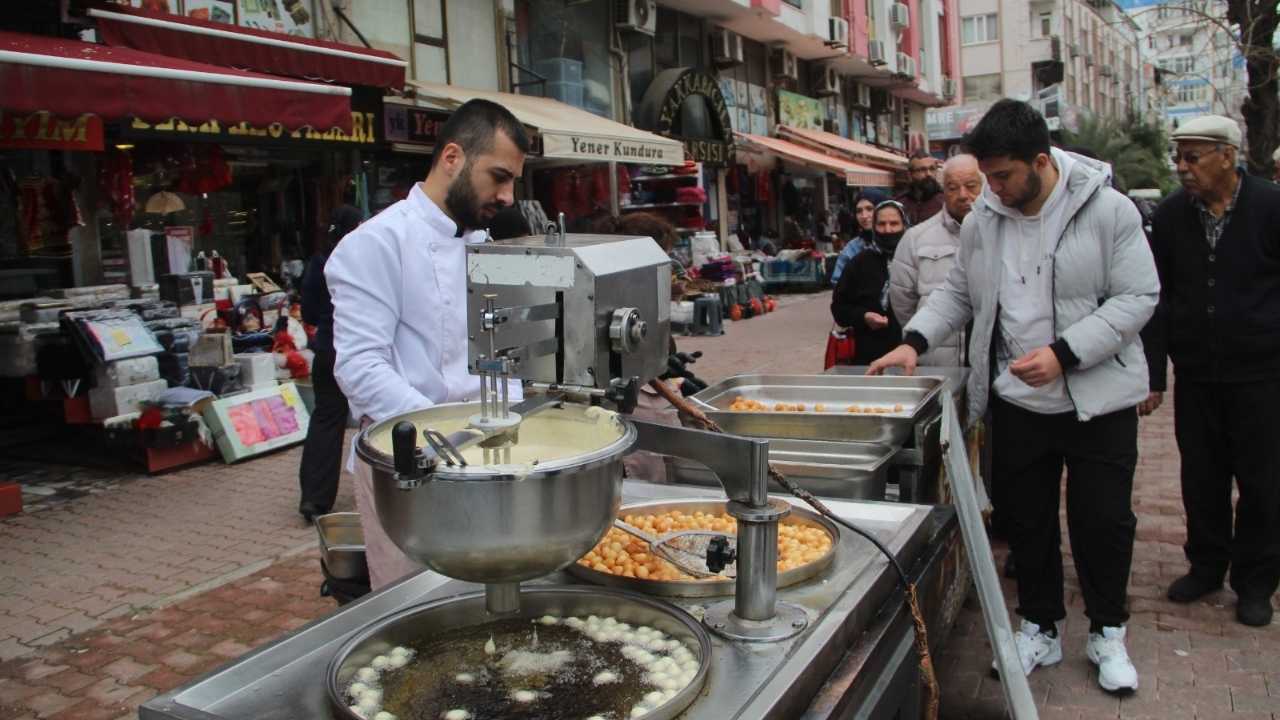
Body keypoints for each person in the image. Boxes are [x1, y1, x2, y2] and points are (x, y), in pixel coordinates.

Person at [868, 99, 1158, 694]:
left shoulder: (1109, 212)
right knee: (1026, 521)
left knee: (1102, 520)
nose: (990, 191)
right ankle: (1040, 625)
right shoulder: (985, 221)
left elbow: (1137, 299)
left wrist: (1065, 353)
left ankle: (1107, 631)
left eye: (1001, 177)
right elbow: (958, 294)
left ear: (1042, 162)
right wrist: (914, 341)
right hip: (1016, 401)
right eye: (986, 177)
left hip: (1096, 400)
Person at [326, 99, 529, 590]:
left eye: (513, 182)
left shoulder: (483, 246)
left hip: (491, 453)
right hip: (411, 463)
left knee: (496, 597)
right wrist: (447, 437)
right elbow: (360, 368)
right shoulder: (375, 243)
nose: (507, 196)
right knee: (420, 608)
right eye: (499, 176)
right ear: (453, 158)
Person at [1149, 115, 1280, 628]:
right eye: (1178, 157)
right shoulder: (1172, 215)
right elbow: (1157, 298)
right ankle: (1206, 566)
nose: (1182, 167)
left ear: (1227, 155)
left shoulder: (1271, 206)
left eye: (1192, 156)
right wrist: (1155, 374)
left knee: (1263, 482)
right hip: (1197, 374)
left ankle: (1255, 583)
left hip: (1263, 375)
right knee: (1200, 477)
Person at [297, 204, 361, 523]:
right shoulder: (363, 259)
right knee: (375, 419)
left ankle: (314, 498)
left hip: (326, 348)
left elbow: (307, 311)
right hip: (360, 349)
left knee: (325, 418)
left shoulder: (320, 261)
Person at [889, 154, 982, 366]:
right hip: (936, 358)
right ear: (943, 190)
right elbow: (902, 301)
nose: (963, 195)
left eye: (971, 186)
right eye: (952, 187)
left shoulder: (1000, 234)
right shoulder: (915, 238)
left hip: (986, 360)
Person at [830, 200, 908, 366]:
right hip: (870, 358)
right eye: (881, 224)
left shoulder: (917, 260)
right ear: (874, 227)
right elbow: (839, 308)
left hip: (913, 356)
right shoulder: (859, 263)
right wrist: (863, 316)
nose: (888, 230)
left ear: (905, 225)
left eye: (894, 224)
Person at [830, 188, 888, 286]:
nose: (864, 216)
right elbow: (838, 283)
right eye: (859, 211)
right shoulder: (852, 248)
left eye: (870, 209)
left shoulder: (901, 242)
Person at [896, 149, 944, 225]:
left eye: (932, 169)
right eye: (922, 170)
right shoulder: (900, 203)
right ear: (910, 174)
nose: (929, 174)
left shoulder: (946, 202)